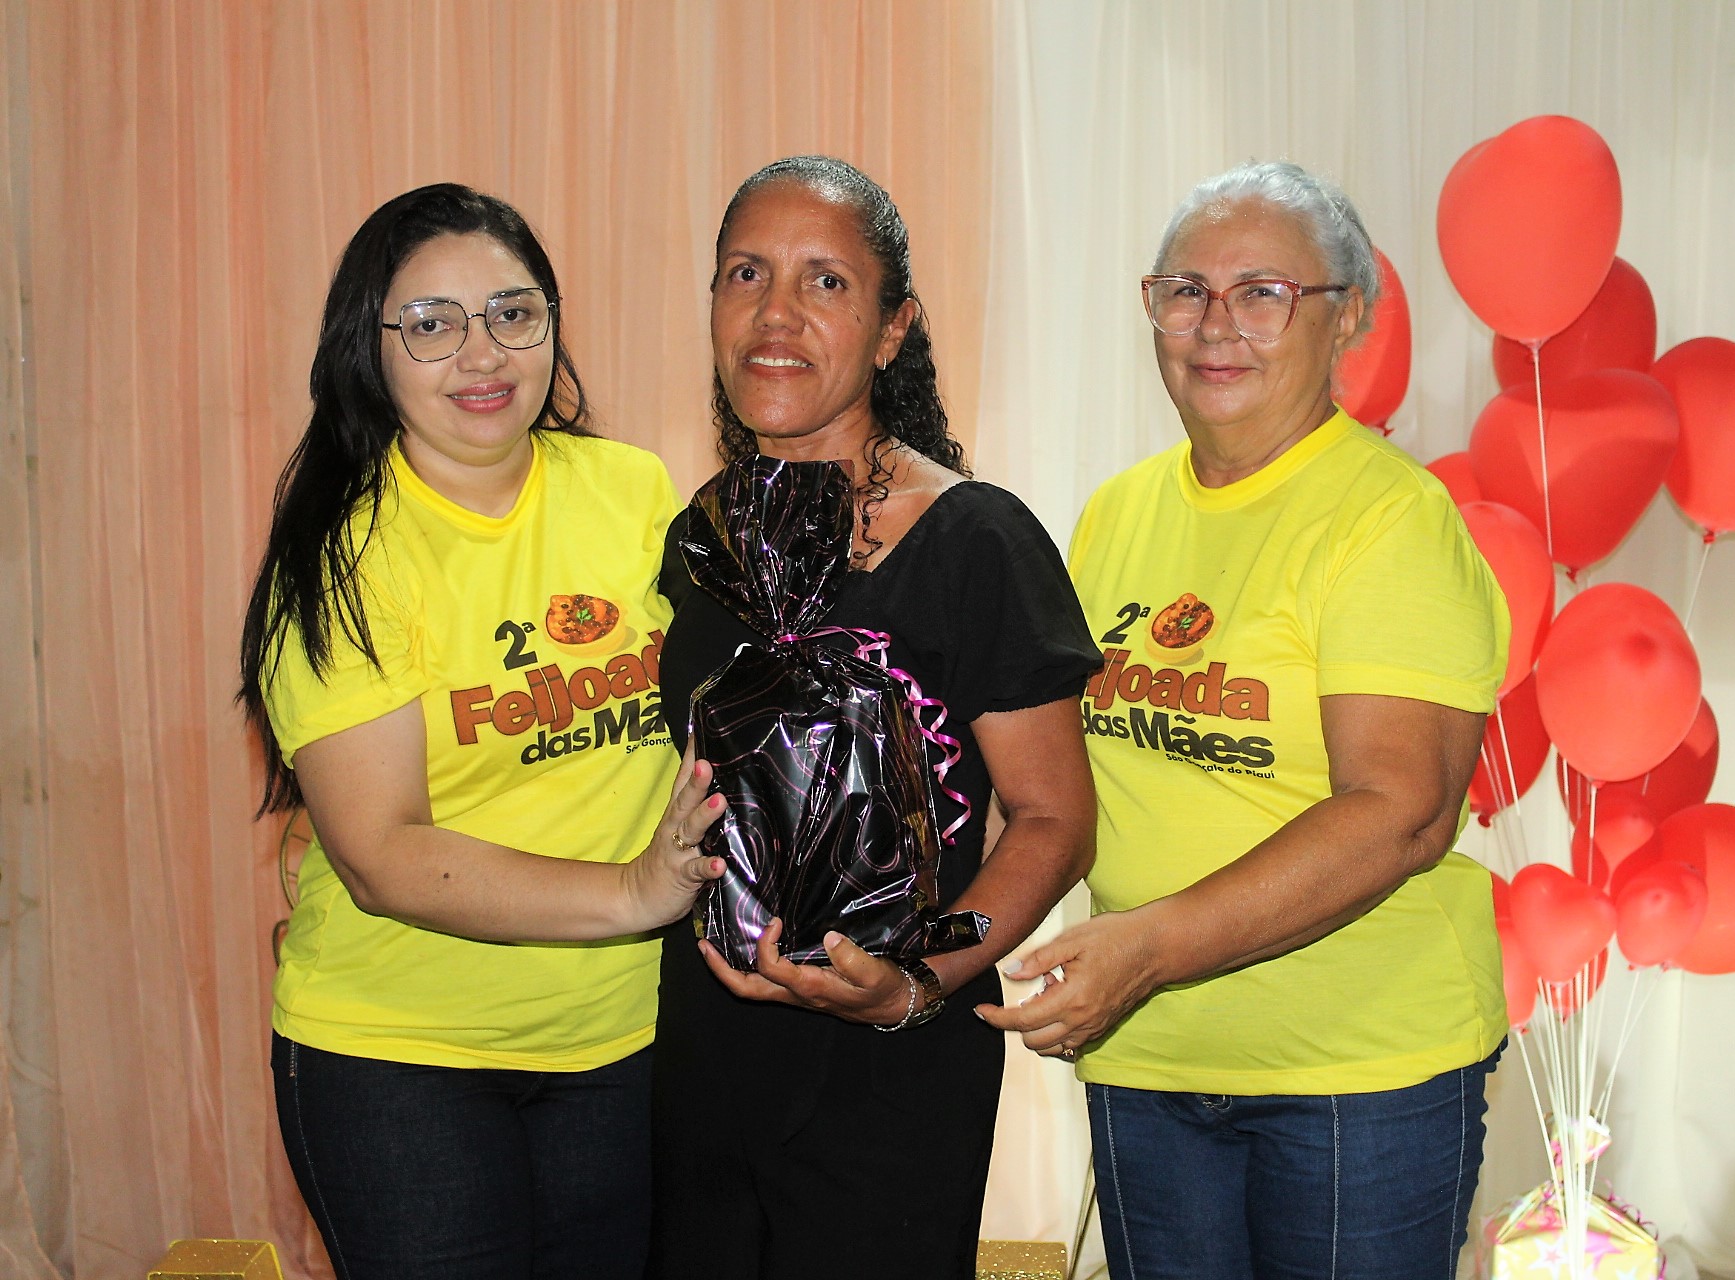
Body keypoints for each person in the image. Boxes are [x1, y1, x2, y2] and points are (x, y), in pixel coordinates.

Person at [982, 161, 1512, 1278]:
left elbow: (1400, 812)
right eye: (1186, 290)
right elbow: (1061, 774)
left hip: (1354, 1076)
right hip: (1147, 1056)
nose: (1216, 326)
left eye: (1264, 291)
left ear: (1348, 316)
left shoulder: (1389, 522)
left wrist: (1149, 946)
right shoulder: (1119, 511)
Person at [237, 182, 727, 1280]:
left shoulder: (629, 487)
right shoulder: (345, 551)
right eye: (431, 323)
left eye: (514, 312)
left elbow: (723, 701)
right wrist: (634, 891)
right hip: (400, 1058)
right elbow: (381, 852)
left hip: (622, 1037)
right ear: (369, 347)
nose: (481, 354)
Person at [648, 155, 1101, 1280]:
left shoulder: (977, 539)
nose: (776, 314)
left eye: (827, 282)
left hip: (893, 1061)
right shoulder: (699, 536)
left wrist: (917, 981)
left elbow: (1053, 819)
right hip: (703, 1042)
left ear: (894, 328)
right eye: (745, 273)